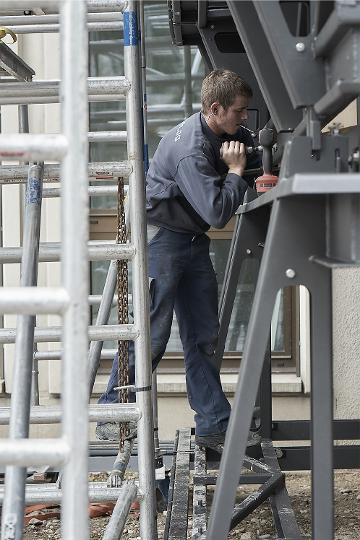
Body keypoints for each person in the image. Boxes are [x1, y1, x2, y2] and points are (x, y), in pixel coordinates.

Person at [96, 69, 261, 453]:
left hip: (191, 239)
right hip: (162, 238)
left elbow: (249, 154)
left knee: (202, 333)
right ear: (215, 108)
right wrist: (236, 173)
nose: (244, 119)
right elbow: (218, 212)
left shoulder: (226, 132)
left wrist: (251, 162)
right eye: (239, 112)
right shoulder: (191, 149)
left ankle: (214, 425)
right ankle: (112, 414)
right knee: (152, 333)